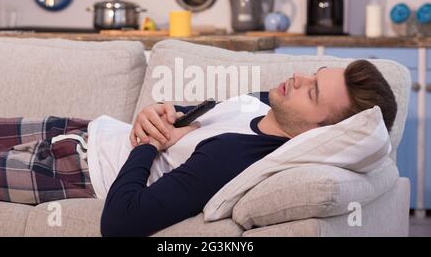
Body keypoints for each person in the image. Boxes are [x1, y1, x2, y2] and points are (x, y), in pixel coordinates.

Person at [99, 59, 398, 236]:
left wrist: (148, 145)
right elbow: (190, 116)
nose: (298, 77)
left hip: (76, 165)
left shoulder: (233, 156)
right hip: (91, 130)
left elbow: (120, 222)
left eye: (312, 91)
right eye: (314, 74)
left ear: (321, 132)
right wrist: (159, 114)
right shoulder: (262, 103)